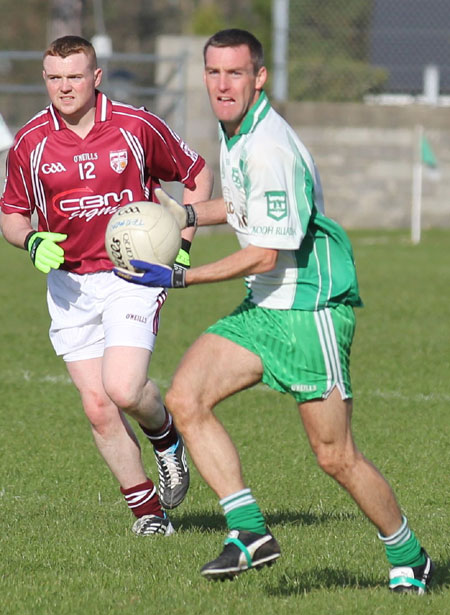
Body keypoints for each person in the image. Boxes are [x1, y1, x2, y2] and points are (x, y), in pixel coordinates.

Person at [114, 27, 434, 592]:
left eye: (235, 72)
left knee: (335, 456)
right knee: (185, 399)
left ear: (259, 77)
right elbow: (242, 208)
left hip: (310, 312)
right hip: (265, 308)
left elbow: (264, 254)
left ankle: (410, 555)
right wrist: (185, 216)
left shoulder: (270, 147)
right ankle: (249, 530)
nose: (222, 84)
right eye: (213, 72)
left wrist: (180, 275)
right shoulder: (237, 134)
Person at [0, 35, 213, 536]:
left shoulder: (136, 126)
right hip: (70, 285)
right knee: (98, 407)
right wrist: (30, 241)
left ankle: (165, 438)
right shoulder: (31, 141)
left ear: (96, 77)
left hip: (131, 275)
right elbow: (10, 212)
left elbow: (196, 176)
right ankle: (148, 515)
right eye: (54, 77)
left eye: (74, 76)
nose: (64, 87)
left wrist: (180, 245)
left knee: (122, 388)